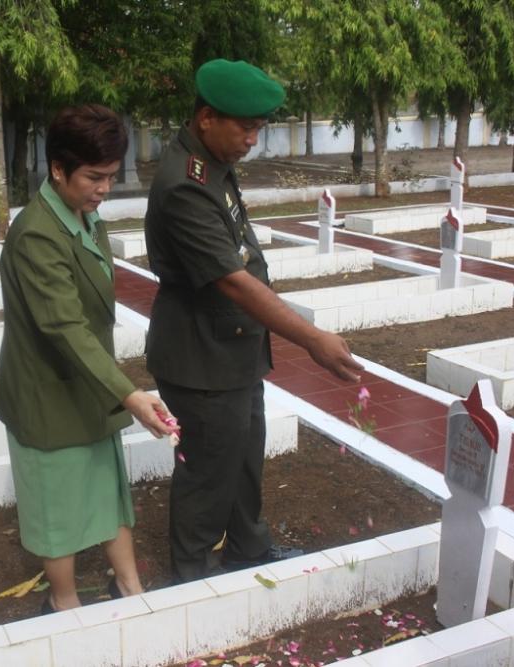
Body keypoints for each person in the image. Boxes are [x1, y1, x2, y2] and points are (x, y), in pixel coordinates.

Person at [144, 59, 364, 583]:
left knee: (243, 457)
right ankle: (191, 575)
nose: (252, 139)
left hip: (232, 348)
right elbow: (233, 280)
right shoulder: (185, 184)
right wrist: (311, 338)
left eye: (258, 128)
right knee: (208, 470)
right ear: (206, 118)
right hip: (201, 356)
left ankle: (248, 546)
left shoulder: (212, 163)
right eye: (245, 127)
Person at [0, 104, 178, 613]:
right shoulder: (35, 234)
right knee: (57, 506)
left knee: (105, 486)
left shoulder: (86, 218)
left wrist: (120, 390)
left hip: (88, 383)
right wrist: (129, 393)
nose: (104, 189)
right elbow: (64, 327)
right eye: (94, 177)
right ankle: (65, 601)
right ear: (57, 169)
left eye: (111, 177)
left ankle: (129, 585)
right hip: (47, 392)